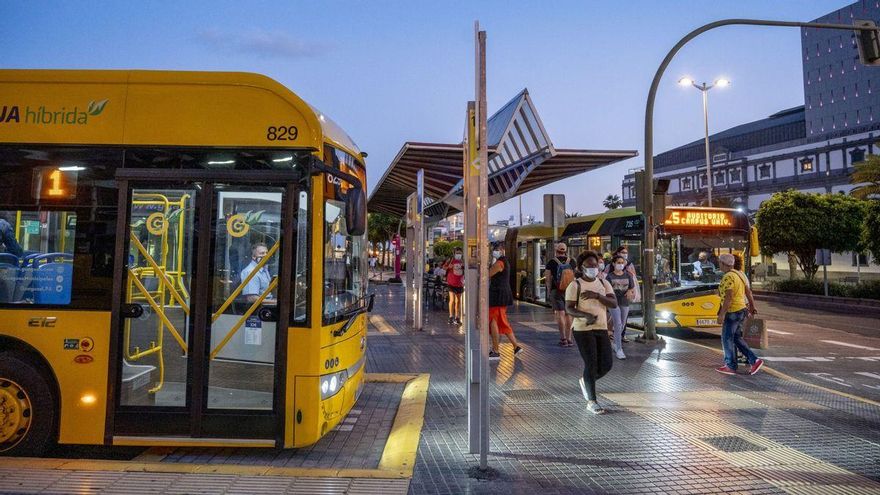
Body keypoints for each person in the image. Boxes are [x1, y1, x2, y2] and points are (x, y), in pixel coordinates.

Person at [565, 250, 617, 414]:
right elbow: (569, 308)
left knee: (607, 364)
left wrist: (597, 296)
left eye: (596, 265)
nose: (594, 268)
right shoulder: (575, 285)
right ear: (581, 267)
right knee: (591, 363)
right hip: (582, 329)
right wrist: (585, 315)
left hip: (601, 327)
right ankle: (592, 401)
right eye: (589, 266)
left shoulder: (603, 283)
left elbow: (613, 303)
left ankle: (587, 380)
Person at [715, 253, 763, 376]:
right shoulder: (739, 274)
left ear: (724, 264)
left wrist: (722, 314)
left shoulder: (728, 276)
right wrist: (752, 306)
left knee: (727, 338)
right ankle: (755, 360)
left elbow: (729, 297)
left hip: (733, 311)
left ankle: (730, 366)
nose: (719, 264)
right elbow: (748, 292)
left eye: (720, 262)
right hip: (742, 309)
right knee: (736, 338)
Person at [488, 242, 522, 360]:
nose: (494, 251)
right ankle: (516, 346)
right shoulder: (503, 261)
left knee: (493, 321)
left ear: (502, 250)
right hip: (500, 295)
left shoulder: (500, 262)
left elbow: (488, 274)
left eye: (496, 249)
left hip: (498, 296)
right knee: (502, 322)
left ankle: (496, 351)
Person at [545, 242, 575, 347]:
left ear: (556, 250)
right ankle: (569, 338)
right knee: (568, 314)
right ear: (565, 251)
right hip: (570, 291)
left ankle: (563, 339)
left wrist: (549, 291)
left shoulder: (551, 262)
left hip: (556, 291)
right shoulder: (572, 261)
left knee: (560, 314)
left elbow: (548, 279)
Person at [606, 254, 635, 360]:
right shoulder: (609, 277)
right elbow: (606, 290)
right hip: (613, 303)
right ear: (613, 264)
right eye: (618, 263)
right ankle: (619, 349)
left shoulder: (628, 275)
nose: (620, 265)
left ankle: (615, 342)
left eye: (622, 263)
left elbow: (632, 287)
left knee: (621, 325)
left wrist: (629, 291)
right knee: (618, 324)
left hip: (624, 302)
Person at [443, 247, 465, 325]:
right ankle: (451, 316)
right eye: (457, 253)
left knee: (458, 301)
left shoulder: (463, 261)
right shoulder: (451, 260)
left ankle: (457, 317)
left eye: (460, 253)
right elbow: (444, 267)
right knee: (452, 300)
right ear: (454, 253)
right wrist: (449, 267)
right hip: (451, 283)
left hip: (459, 283)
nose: (458, 254)